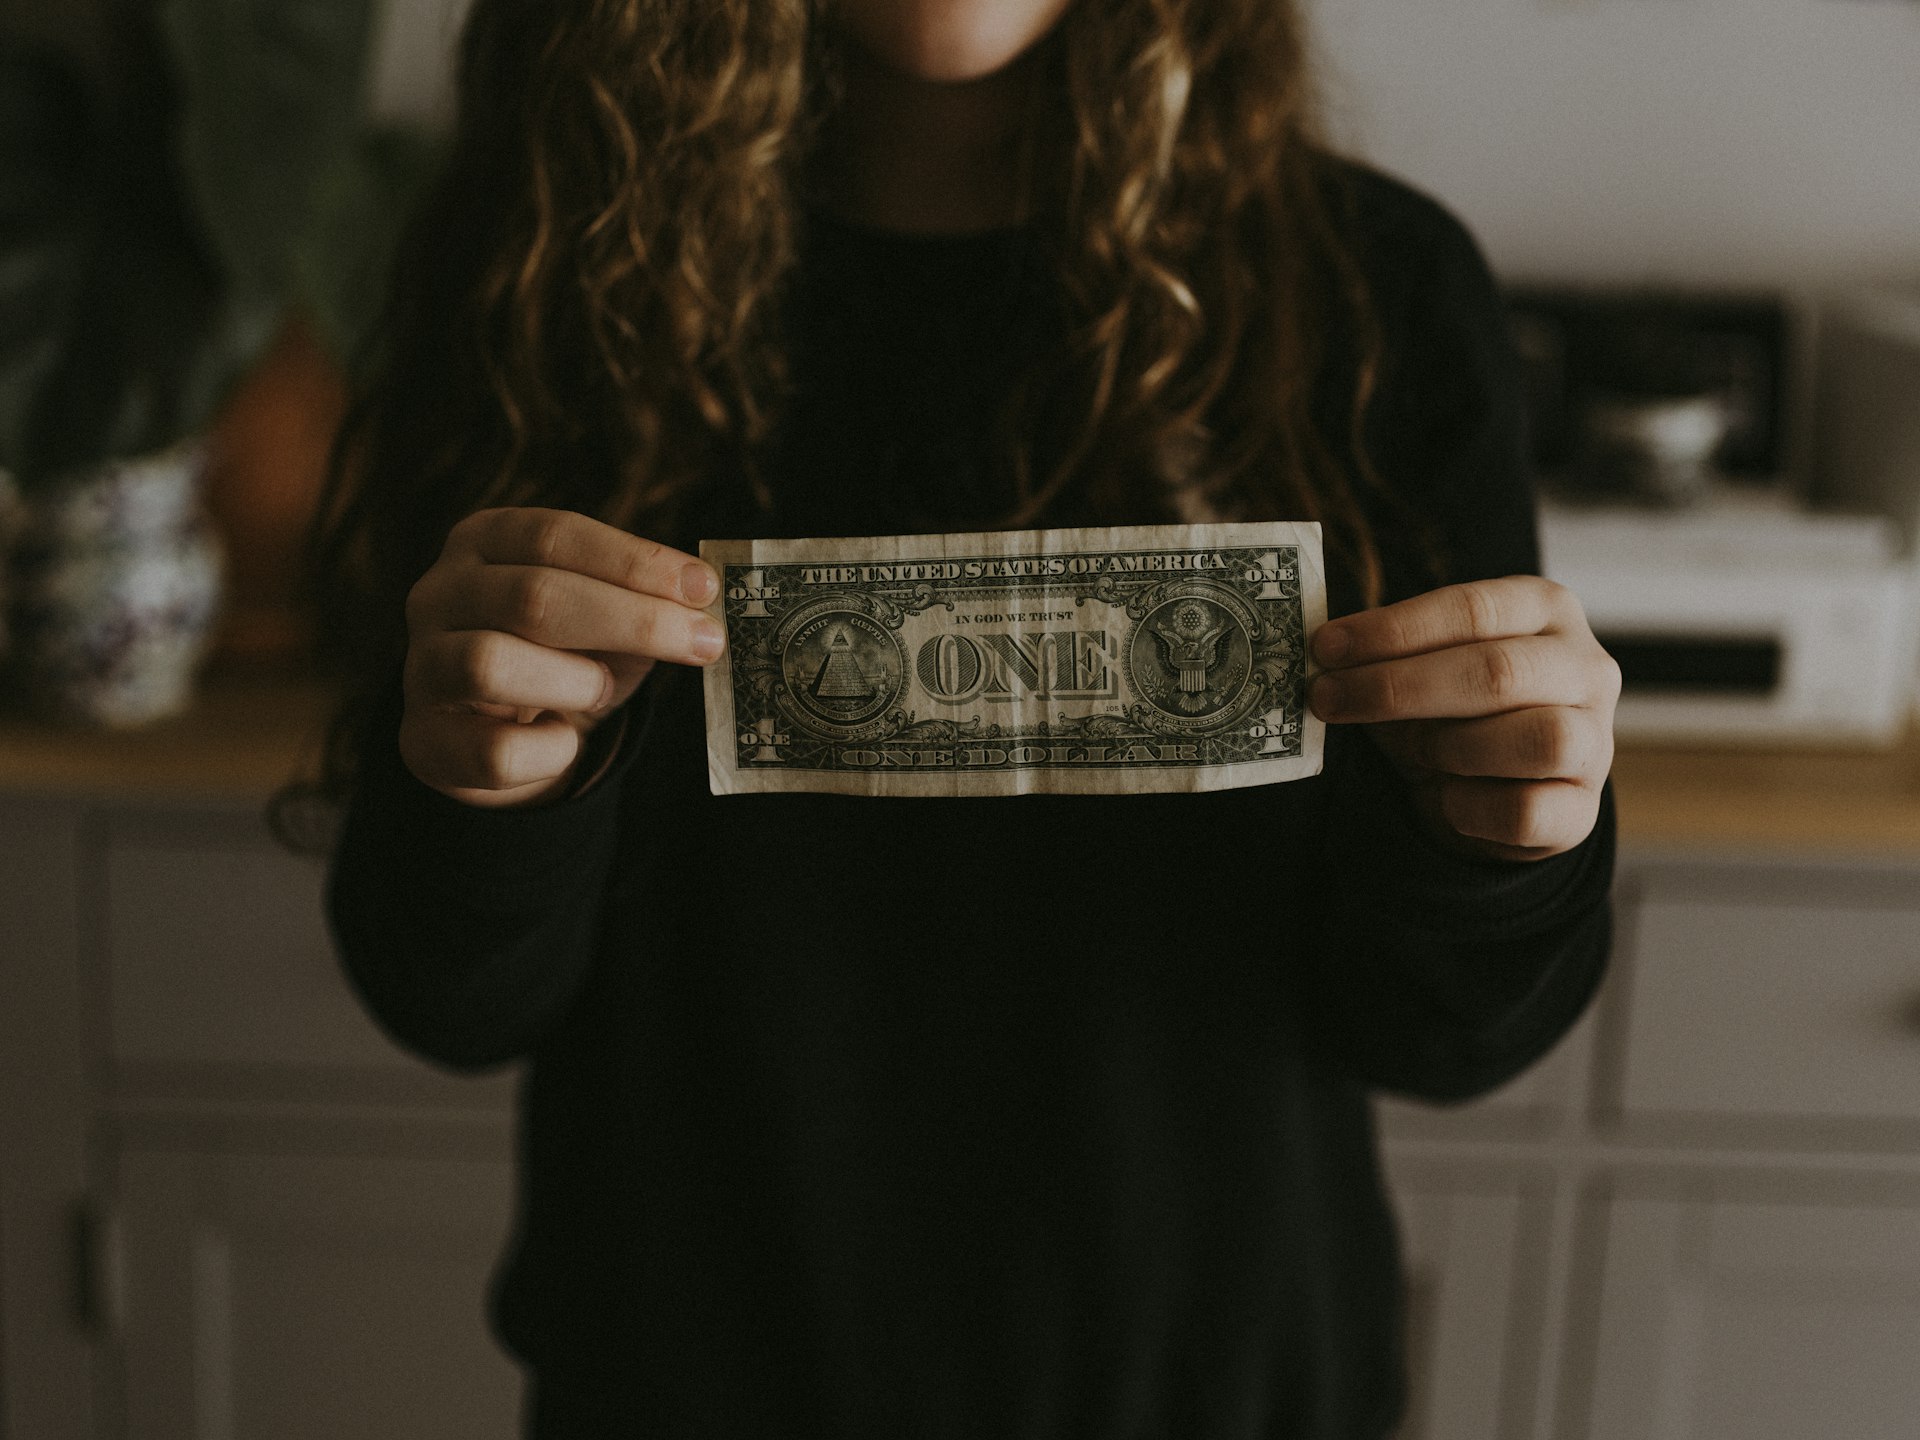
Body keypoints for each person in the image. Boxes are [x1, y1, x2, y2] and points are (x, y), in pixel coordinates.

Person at [305, 1, 1620, 1436]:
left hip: (1214, 1390)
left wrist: (1509, 843)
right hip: (689, 1389)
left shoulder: (1375, 294)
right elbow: (449, 995)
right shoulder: (542, 271)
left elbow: (1441, 1040)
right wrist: (478, 789)